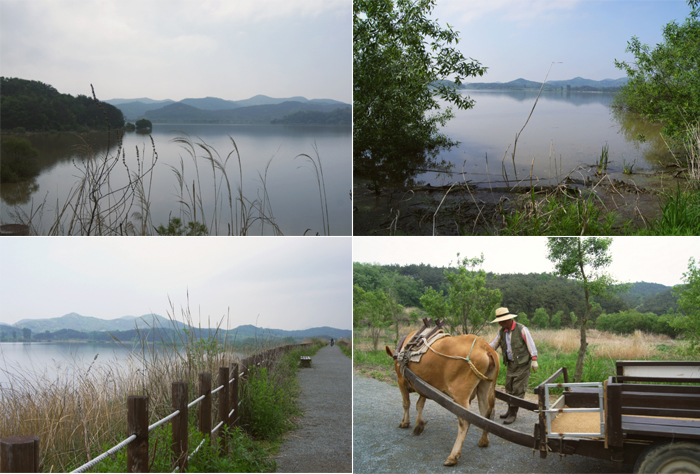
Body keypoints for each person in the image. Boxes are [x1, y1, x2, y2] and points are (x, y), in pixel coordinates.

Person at [489, 307, 538, 425]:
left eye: (501, 322)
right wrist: (484, 349)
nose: (500, 324)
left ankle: (513, 413)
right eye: (499, 322)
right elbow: (493, 345)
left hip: (522, 364)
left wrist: (534, 359)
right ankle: (509, 410)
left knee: (518, 389)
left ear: (508, 320)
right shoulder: (502, 332)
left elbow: (530, 344)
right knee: (509, 387)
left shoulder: (522, 329)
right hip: (511, 365)